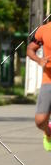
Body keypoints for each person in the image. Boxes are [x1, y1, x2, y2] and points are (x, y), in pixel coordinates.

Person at [27, 21, 51, 151]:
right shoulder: (44, 29)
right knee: (40, 121)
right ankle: (48, 132)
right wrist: (39, 60)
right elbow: (30, 49)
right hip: (49, 80)